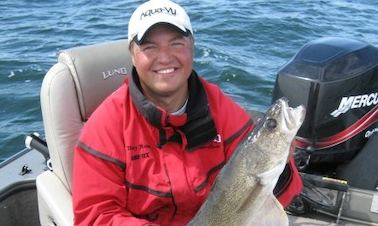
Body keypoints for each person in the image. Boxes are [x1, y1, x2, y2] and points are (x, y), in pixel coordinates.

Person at [72, 0, 302, 225]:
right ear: (132, 54)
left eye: (176, 44)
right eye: (150, 47)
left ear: (192, 46)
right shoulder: (105, 127)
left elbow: (272, 196)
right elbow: (95, 216)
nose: (164, 57)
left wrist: (281, 162)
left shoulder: (221, 109)